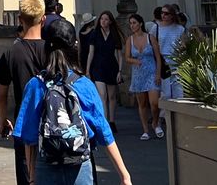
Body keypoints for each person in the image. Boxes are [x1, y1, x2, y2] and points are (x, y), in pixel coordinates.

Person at [14, 17, 133, 185]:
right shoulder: (84, 84)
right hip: (80, 164)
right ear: (74, 45)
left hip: (46, 164)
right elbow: (103, 130)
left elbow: (29, 137)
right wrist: (124, 174)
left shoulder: (36, 85)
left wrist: (32, 176)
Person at [0, 0, 49, 185]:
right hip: (51, 119)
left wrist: (3, 121)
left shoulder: (11, 53)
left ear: (20, 19)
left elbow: (2, 96)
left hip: (23, 120)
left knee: (26, 174)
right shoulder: (52, 51)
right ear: (43, 18)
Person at [83, 11, 122, 129]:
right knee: (102, 95)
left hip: (111, 66)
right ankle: (105, 122)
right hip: (98, 66)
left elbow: (119, 54)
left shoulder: (114, 34)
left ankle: (112, 120)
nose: (103, 21)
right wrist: (88, 70)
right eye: (101, 19)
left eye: (105, 19)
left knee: (111, 96)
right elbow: (91, 52)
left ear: (110, 21)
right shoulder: (95, 34)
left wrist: (120, 71)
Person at [124, 14, 159, 140]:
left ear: (140, 24)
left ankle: (155, 122)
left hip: (151, 72)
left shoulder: (150, 38)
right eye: (130, 23)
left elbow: (158, 56)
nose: (132, 25)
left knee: (154, 103)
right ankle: (145, 130)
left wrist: (158, 73)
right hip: (138, 74)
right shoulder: (130, 40)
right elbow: (127, 57)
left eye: (134, 23)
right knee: (142, 103)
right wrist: (135, 61)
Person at [154, 5, 187, 126]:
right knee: (166, 92)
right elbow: (153, 45)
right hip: (163, 60)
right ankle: (164, 115)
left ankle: (179, 115)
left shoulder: (180, 29)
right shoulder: (156, 28)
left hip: (176, 60)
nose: (163, 15)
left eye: (166, 13)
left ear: (172, 15)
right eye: (162, 13)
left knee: (178, 90)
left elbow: (183, 44)